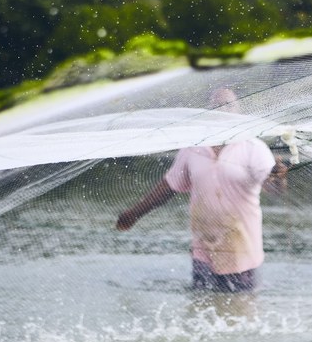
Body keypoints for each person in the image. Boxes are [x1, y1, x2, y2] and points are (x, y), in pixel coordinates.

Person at [116, 88, 286, 292]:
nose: (222, 111)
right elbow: (169, 186)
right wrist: (134, 214)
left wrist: (278, 176)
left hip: (242, 251)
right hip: (203, 250)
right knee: (200, 305)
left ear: (238, 111)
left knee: (241, 308)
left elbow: (273, 187)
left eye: (228, 105)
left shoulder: (254, 148)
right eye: (216, 106)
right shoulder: (193, 148)